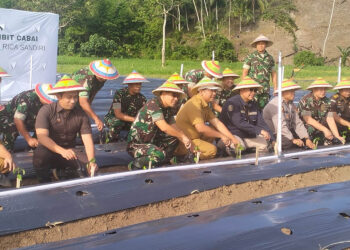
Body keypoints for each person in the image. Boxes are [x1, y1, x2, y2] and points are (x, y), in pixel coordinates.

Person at [33, 76, 98, 183]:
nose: (73, 101)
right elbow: (42, 137)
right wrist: (62, 151)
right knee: (40, 156)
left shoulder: (81, 114)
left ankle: (61, 172)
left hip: (70, 150)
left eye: (75, 97)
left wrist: (91, 161)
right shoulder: (46, 111)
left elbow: (87, 139)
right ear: (59, 96)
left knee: (88, 167)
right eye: (69, 97)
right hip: (49, 149)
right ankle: (44, 182)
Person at [127, 81, 192, 170]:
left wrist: (184, 138)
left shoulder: (168, 108)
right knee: (159, 154)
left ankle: (163, 160)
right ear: (164, 93)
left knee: (174, 138)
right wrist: (181, 136)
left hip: (152, 141)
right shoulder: (153, 105)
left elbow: (173, 125)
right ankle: (136, 164)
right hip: (137, 145)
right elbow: (164, 127)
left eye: (177, 96)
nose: (176, 99)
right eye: (173, 95)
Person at [176, 77, 239, 160]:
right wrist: (222, 136)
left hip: (195, 138)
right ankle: (186, 156)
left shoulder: (205, 105)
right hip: (185, 141)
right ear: (201, 91)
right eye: (211, 90)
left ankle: (197, 151)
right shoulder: (194, 104)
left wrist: (233, 139)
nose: (214, 93)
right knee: (212, 150)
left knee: (214, 128)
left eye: (215, 91)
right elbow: (201, 128)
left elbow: (217, 123)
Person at [220, 77, 275, 153]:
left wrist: (272, 139)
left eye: (255, 90)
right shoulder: (232, 103)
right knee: (238, 149)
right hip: (233, 135)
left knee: (267, 145)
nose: (253, 93)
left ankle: (246, 148)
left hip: (247, 136)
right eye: (251, 90)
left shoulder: (253, 104)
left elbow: (261, 123)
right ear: (242, 90)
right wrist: (260, 131)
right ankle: (223, 146)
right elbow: (239, 123)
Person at [0, 83, 56, 151]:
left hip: (28, 117)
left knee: (43, 126)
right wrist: (28, 139)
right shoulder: (27, 99)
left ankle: (33, 149)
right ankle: (6, 152)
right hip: (8, 117)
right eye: (47, 101)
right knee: (11, 127)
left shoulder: (46, 102)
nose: (48, 104)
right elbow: (17, 120)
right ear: (41, 96)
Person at [263, 79, 315, 149]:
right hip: (274, 133)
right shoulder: (276, 104)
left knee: (306, 136)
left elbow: (297, 122)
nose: (293, 93)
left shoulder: (291, 104)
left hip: (285, 130)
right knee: (288, 142)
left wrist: (306, 138)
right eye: (290, 91)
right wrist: (293, 139)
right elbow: (280, 126)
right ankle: (272, 145)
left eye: (293, 91)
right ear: (283, 92)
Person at [72, 59, 119, 131]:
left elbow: (92, 95)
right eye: (102, 77)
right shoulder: (86, 78)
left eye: (105, 78)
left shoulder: (102, 79)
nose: (103, 79)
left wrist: (87, 112)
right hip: (70, 99)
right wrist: (96, 118)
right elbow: (83, 102)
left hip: (81, 100)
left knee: (83, 122)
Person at [298, 78, 345, 146]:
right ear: (314, 90)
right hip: (306, 127)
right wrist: (325, 130)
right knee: (310, 129)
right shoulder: (305, 100)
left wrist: (337, 135)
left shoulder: (327, 101)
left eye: (324, 89)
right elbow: (308, 120)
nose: (323, 91)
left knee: (333, 138)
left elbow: (330, 118)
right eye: (320, 89)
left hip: (320, 126)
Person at [104, 70, 148, 142]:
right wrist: (135, 120)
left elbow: (143, 115)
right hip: (113, 118)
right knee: (117, 122)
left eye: (140, 84)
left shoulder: (142, 99)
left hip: (129, 122)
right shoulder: (119, 94)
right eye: (136, 84)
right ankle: (110, 142)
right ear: (129, 84)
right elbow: (118, 114)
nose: (139, 86)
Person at [242, 34, 277, 109]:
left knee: (264, 111)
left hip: (265, 90)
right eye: (259, 44)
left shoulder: (270, 58)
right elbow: (245, 72)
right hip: (253, 90)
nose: (261, 46)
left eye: (263, 43)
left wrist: (275, 88)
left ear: (266, 45)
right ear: (256, 45)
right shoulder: (250, 57)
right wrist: (243, 88)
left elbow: (273, 74)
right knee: (251, 109)